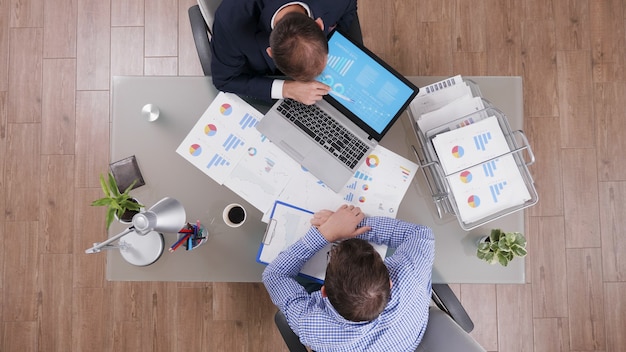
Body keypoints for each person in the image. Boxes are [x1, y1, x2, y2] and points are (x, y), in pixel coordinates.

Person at [262, 204, 435, 351]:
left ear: (324, 292)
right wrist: (359, 227)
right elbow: (420, 234)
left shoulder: (313, 327)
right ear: (389, 283)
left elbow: (275, 275)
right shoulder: (411, 277)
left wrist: (326, 233)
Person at [210, 0, 361, 105]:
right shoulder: (230, 23)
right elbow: (224, 80)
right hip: (261, 78)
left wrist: (335, 44)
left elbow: (349, 8)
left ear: (320, 24)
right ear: (270, 53)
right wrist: (286, 89)